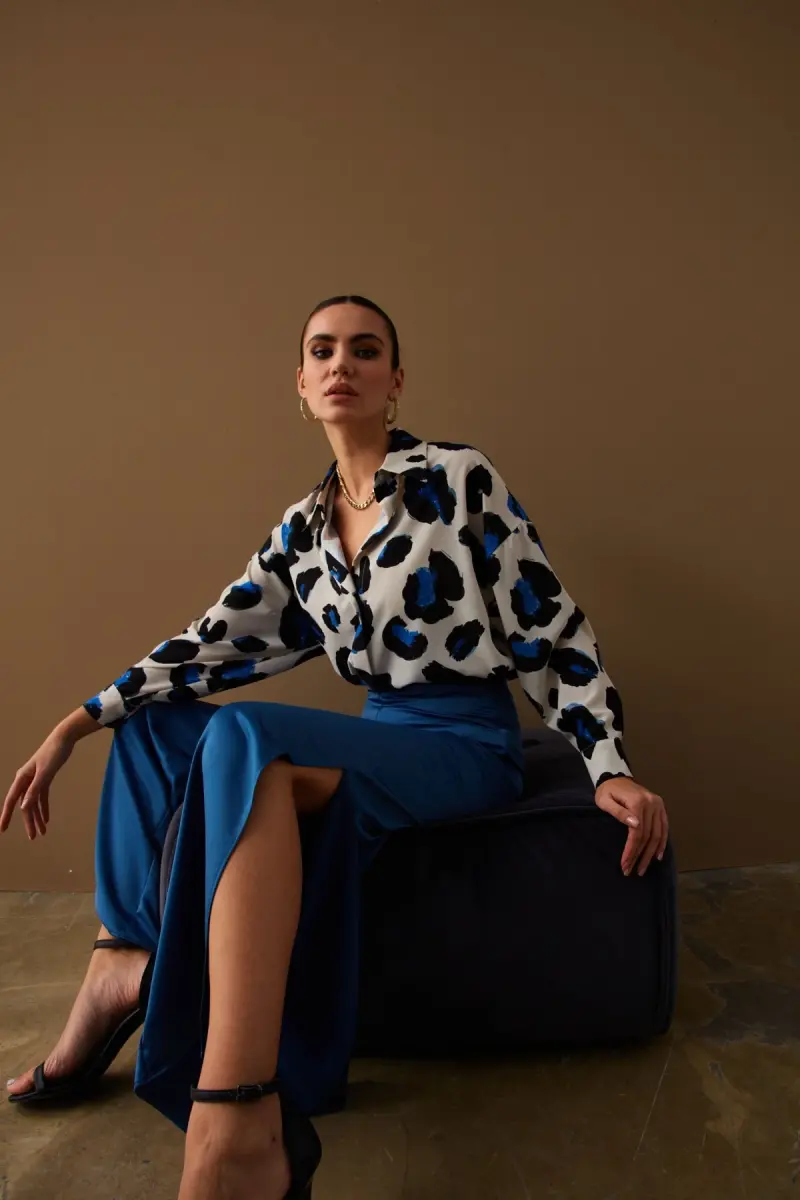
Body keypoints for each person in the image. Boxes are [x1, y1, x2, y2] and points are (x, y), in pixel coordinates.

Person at [2, 294, 668, 1200]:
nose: (341, 364)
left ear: (395, 381)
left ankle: (236, 1114)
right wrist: (73, 726)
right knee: (154, 727)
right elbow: (205, 646)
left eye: (365, 349)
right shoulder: (303, 531)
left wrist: (608, 764)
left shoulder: (456, 479)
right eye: (322, 351)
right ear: (301, 384)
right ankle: (123, 960)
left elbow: (550, 628)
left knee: (244, 736)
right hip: (378, 737)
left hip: (466, 744)